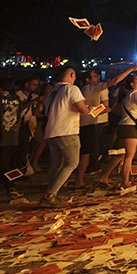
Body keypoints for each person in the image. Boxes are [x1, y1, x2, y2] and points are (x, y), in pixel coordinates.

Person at [72, 64, 137, 189]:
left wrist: (98, 110)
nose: (98, 78)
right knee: (85, 154)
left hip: (86, 123)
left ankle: (97, 177)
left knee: (118, 153)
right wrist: (131, 69)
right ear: (88, 79)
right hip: (87, 124)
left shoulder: (84, 89)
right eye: (94, 77)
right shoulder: (92, 88)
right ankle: (79, 180)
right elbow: (115, 80)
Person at [42, 67, 91, 205]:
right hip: (67, 131)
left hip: (51, 131)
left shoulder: (52, 91)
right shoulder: (72, 89)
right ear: (71, 74)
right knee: (72, 162)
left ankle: (51, 191)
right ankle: (50, 195)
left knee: (56, 164)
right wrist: (90, 109)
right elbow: (82, 109)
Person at [99, 74, 137, 188]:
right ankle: (125, 181)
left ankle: (104, 177)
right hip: (130, 127)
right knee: (129, 155)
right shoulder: (136, 93)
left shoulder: (130, 94)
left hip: (124, 125)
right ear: (132, 84)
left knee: (120, 154)